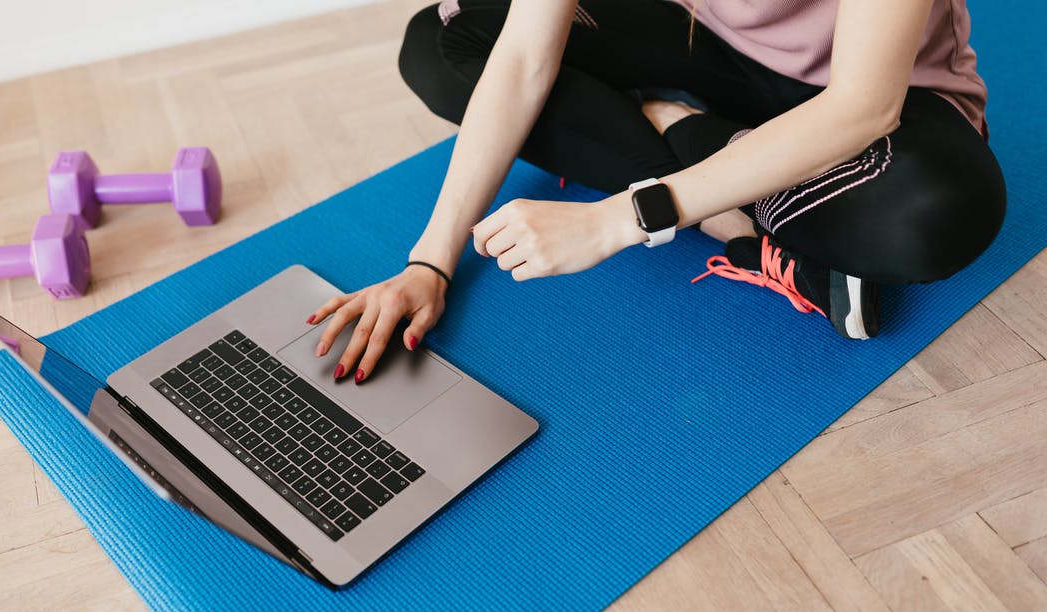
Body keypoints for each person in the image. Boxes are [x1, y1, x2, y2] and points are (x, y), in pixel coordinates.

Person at [306, 0, 1005, 383]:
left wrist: (623, 217)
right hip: (718, 52)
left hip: (886, 106)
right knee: (443, 41)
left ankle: (675, 128)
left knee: (935, 213)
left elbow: (862, 107)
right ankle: (738, 216)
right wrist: (429, 262)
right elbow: (521, 58)